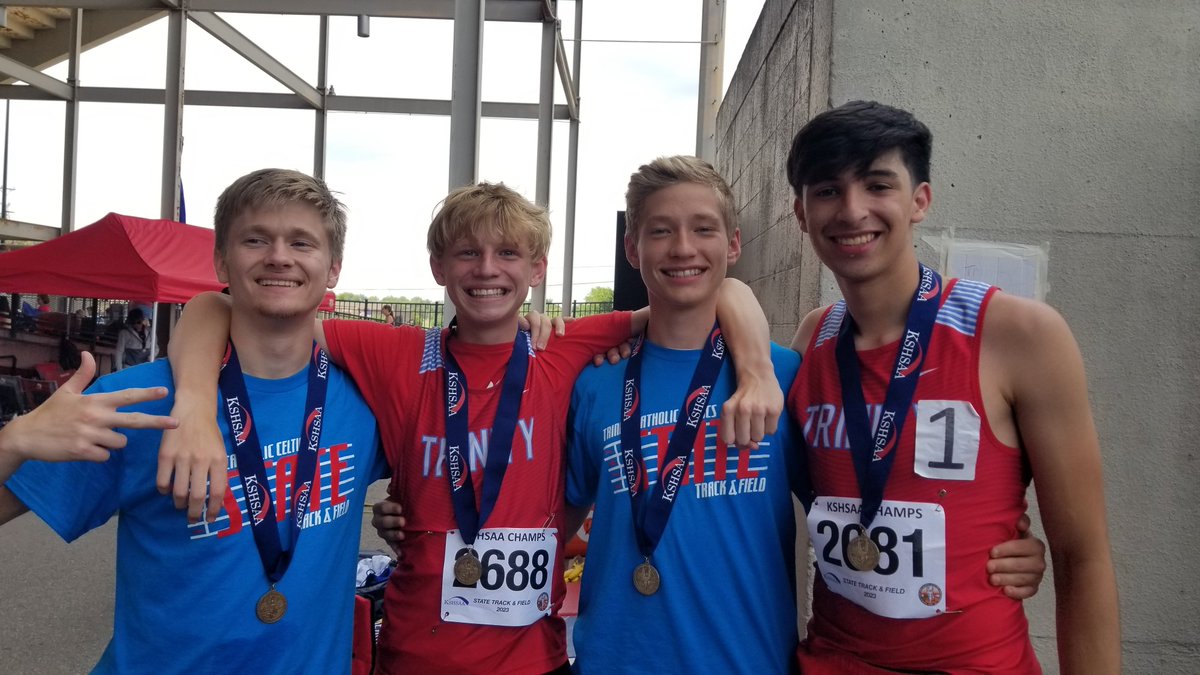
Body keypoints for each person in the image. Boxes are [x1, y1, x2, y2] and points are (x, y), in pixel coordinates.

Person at [161, 180, 782, 674]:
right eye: (467, 253)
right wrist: (192, 402)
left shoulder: (565, 348)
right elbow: (221, 304)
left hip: (532, 657)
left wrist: (755, 370)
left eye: (508, 253)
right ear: (438, 267)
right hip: (417, 653)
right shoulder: (395, 355)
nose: (488, 269)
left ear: (536, 268)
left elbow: (707, 293)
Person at [561, 156, 1047, 674]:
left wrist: (992, 547)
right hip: (613, 659)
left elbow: (867, 499)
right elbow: (553, 518)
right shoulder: (594, 383)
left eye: (703, 228)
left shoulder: (786, 374)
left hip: (753, 661)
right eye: (660, 231)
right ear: (632, 248)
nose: (683, 247)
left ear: (733, 244)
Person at [0, 168, 386, 672]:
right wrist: (13, 441)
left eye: (301, 242)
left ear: (333, 268)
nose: (278, 256)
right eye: (255, 239)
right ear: (221, 261)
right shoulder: (138, 402)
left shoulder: (365, 396)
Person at [784, 101, 1119, 673]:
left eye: (877, 184)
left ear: (920, 200)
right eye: (827, 191)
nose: (853, 209)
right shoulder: (813, 339)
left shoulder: (1018, 335)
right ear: (800, 212)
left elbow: (1080, 554)